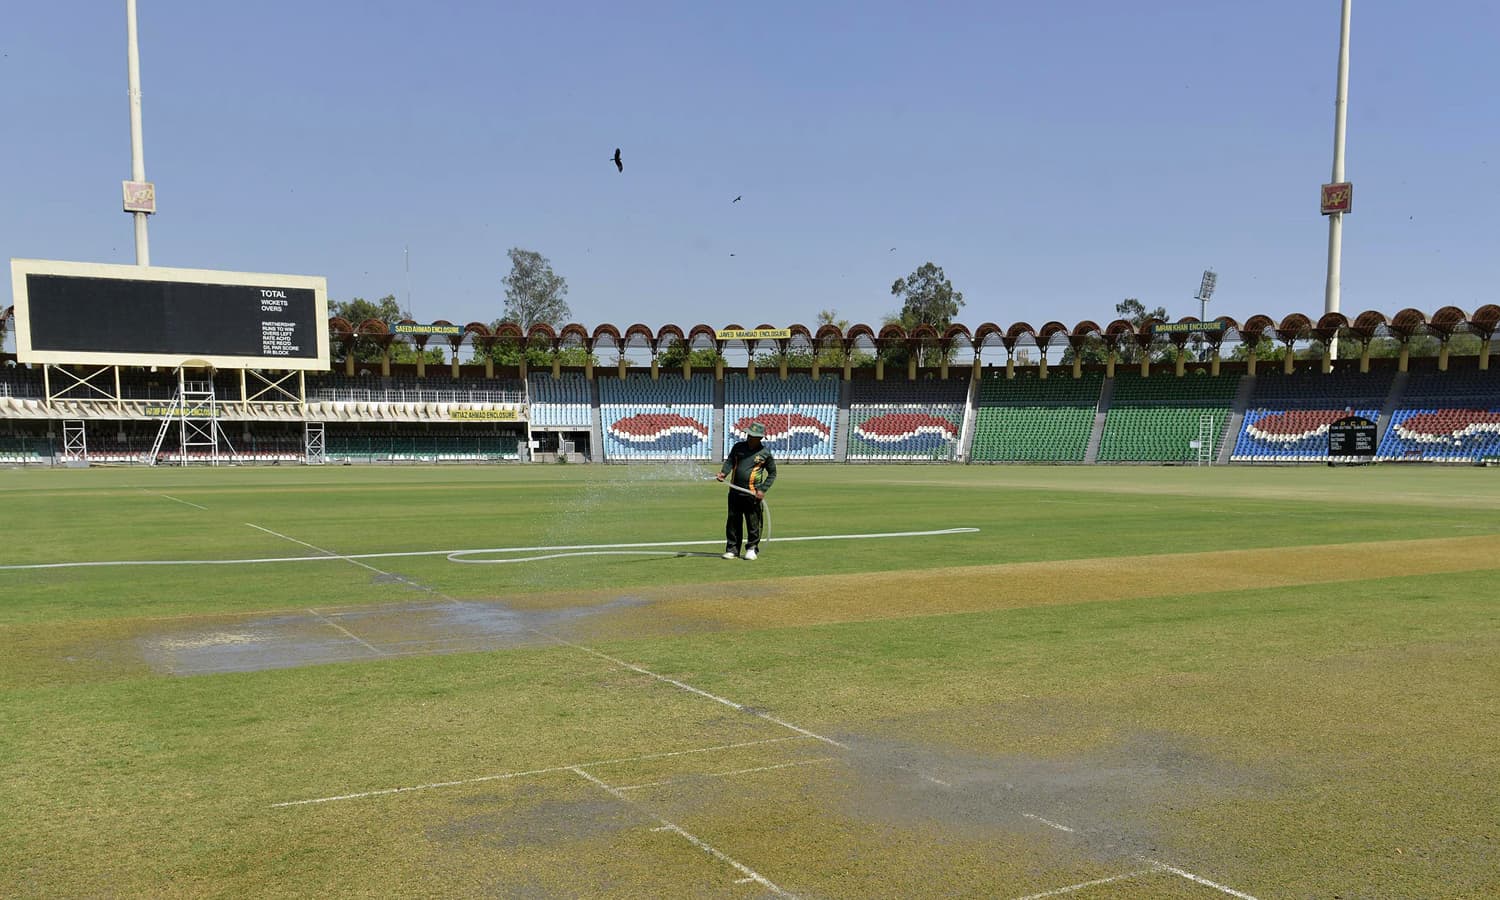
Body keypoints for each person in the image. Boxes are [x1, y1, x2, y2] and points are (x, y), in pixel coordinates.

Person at [717, 421, 776, 560]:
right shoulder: (738, 447)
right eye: (749, 435)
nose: (749, 437)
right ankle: (732, 549)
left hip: (752, 494)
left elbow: (772, 473)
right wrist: (723, 473)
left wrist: (762, 489)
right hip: (734, 492)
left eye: (753, 436)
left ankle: (752, 548)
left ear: (760, 438)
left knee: (753, 522)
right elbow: (730, 462)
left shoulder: (764, 453)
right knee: (733, 521)